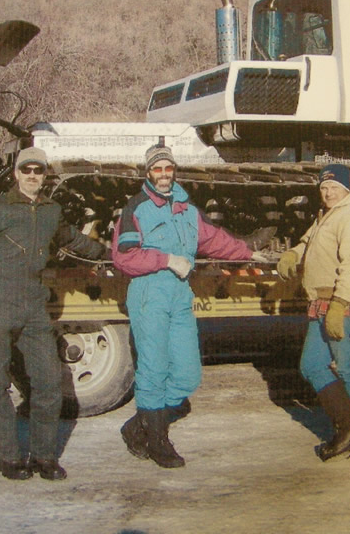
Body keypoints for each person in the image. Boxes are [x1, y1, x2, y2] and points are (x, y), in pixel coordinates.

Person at [112, 143, 269, 468]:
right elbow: (124, 257)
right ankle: (157, 441)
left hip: (180, 295)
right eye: (158, 169)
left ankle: (136, 425)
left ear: (175, 171)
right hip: (148, 293)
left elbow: (213, 239)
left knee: (186, 374)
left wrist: (247, 253)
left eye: (169, 168)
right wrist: (167, 259)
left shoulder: (185, 208)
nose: (164, 174)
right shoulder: (136, 208)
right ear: (148, 172)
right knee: (153, 369)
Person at [0, 146, 106, 481]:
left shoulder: (51, 210)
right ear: (16, 173)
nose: (31, 176)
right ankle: (9, 458)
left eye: (37, 171)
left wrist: (109, 252)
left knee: (48, 383)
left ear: (44, 176)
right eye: (25, 170)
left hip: (35, 308)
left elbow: (71, 239)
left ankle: (44, 457)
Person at [277, 164, 350, 462]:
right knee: (312, 365)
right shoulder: (329, 213)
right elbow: (310, 238)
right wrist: (295, 252)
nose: (328, 193)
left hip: (339, 305)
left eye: (334, 188)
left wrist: (341, 304)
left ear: (346, 188)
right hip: (319, 305)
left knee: (349, 368)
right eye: (323, 188)